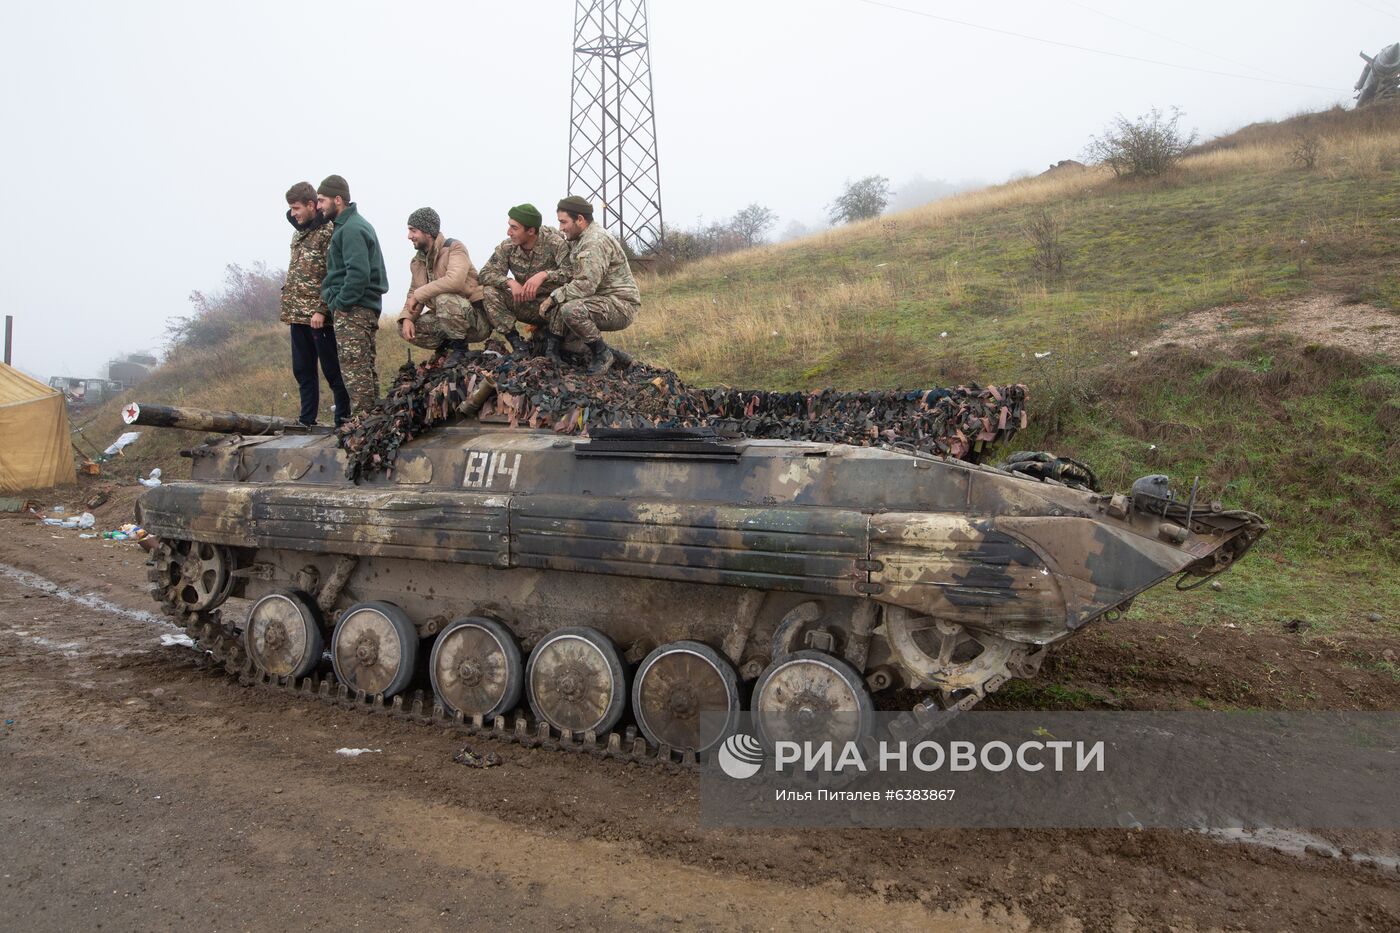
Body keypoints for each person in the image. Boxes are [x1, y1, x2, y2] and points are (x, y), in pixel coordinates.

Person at [541, 195, 640, 374]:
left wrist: (553, 298)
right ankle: (615, 355)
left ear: (580, 219)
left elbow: (585, 286)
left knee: (570, 309)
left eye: (564, 222)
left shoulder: (595, 241)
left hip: (621, 304)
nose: (561, 228)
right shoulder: (580, 237)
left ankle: (602, 354)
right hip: (602, 300)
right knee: (570, 338)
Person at [280, 181, 351, 426]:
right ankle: (306, 419)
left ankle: (343, 419)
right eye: (291, 208)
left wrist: (321, 309)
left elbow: (333, 273)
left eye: (297, 207)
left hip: (320, 318)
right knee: (303, 371)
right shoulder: (298, 233)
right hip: (297, 316)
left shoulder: (327, 232)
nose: (293, 213)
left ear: (311, 205)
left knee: (333, 370)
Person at [317, 174, 388, 415]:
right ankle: (372, 423)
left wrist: (341, 304)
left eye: (322, 200)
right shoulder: (350, 226)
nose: (319, 206)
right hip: (359, 308)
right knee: (363, 368)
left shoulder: (351, 229)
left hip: (355, 309)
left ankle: (364, 424)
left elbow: (358, 273)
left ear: (338, 200)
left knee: (355, 371)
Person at [396, 207, 491, 355]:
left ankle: (460, 350)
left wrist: (419, 294)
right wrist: (407, 318)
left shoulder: (454, 248)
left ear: (427, 232)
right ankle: (448, 347)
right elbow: (413, 292)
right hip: (444, 319)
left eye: (413, 230)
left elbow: (454, 281)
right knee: (403, 326)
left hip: (474, 322)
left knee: (444, 299)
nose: (409, 236)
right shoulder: (417, 262)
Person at [478, 203, 572, 352]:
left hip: (552, 307)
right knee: (489, 292)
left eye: (514, 228)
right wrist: (509, 282)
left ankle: (553, 348)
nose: (509, 232)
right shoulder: (507, 247)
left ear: (531, 231)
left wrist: (544, 275)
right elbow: (484, 274)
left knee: (568, 298)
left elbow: (571, 273)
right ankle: (517, 343)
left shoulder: (555, 243)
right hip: (525, 303)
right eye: (509, 226)